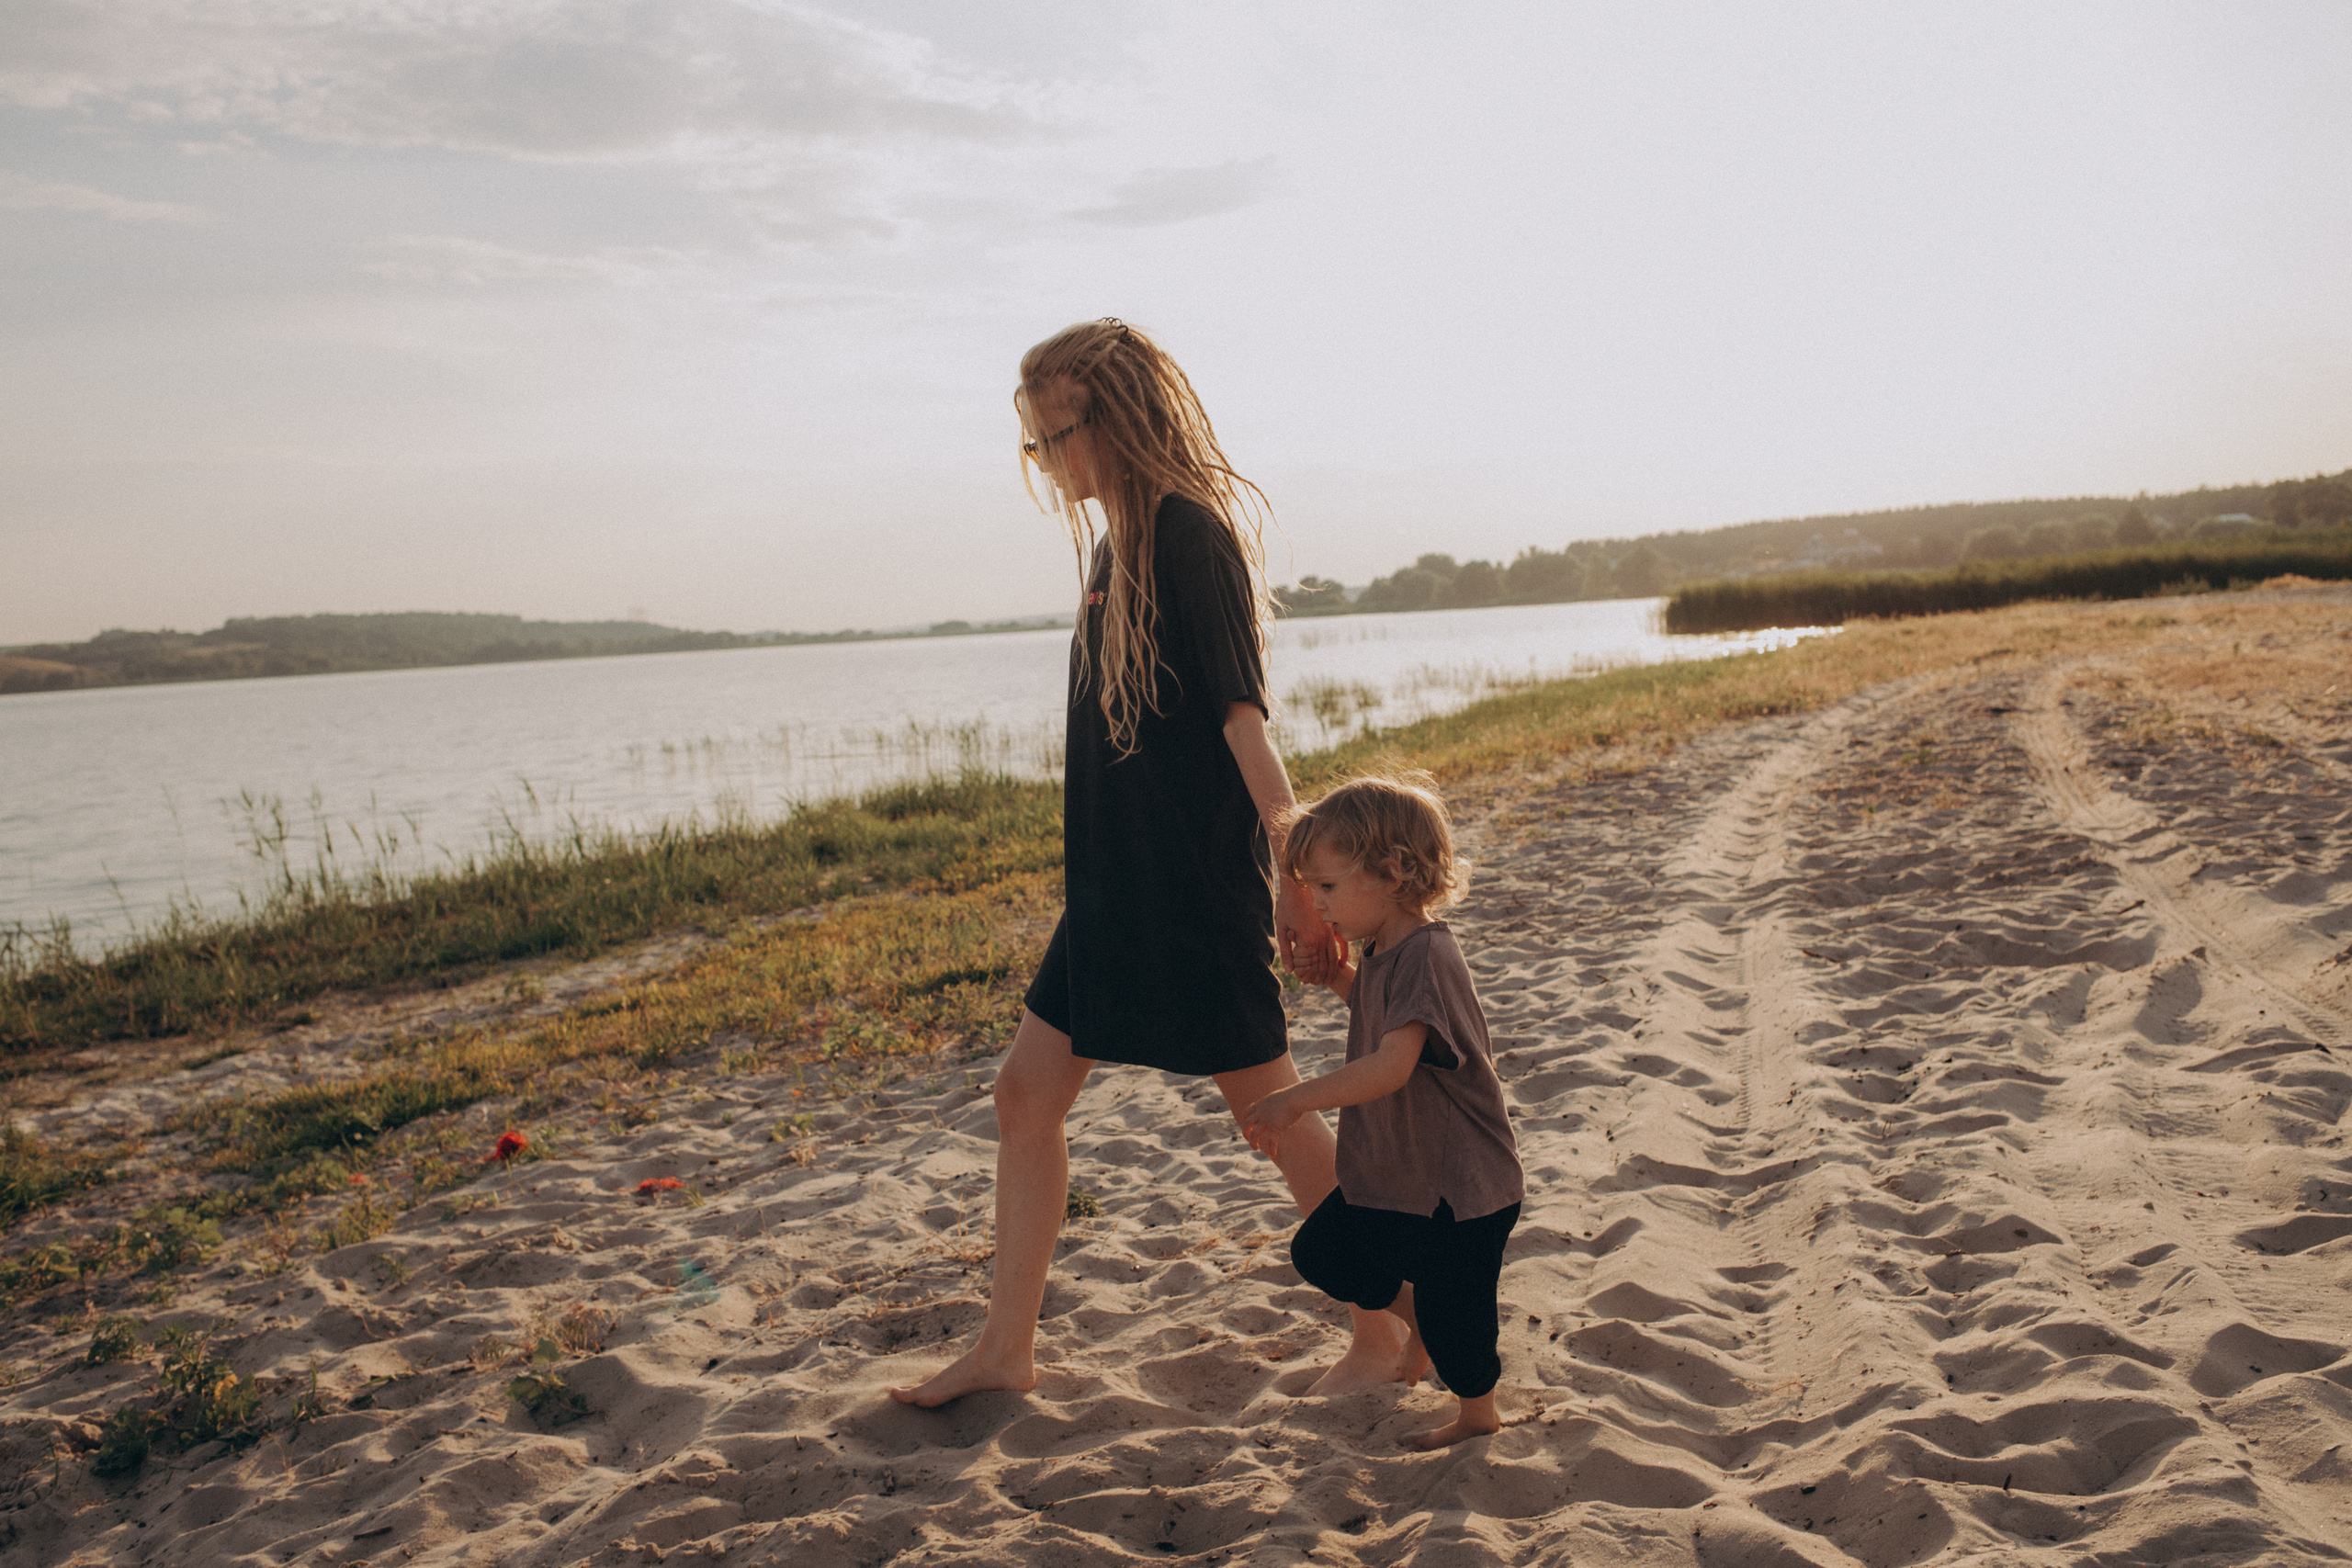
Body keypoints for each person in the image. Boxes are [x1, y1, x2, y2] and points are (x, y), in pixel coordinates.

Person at [890, 319, 1414, 1407]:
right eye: (1033, 446)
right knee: (1025, 1096)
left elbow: (1242, 727)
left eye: (1056, 437)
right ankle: (1006, 1348)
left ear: (1115, 419)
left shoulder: (1187, 534)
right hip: (1110, 893)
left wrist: (1299, 881)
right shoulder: (1112, 545)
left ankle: (1390, 1324)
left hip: (1185, 891)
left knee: (1273, 1119)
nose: (1048, 465)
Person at [1238, 773, 1523, 1449]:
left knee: (1464, 1327)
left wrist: (1295, 1098)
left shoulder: (1427, 953)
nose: (1316, 902)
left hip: (1462, 1187)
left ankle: (1478, 1416)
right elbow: (1389, 1018)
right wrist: (1339, 978)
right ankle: (1421, 1311)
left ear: (1392, 872)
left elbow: (1392, 1065)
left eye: (1329, 887)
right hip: (1407, 1179)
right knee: (1325, 1249)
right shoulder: (1387, 950)